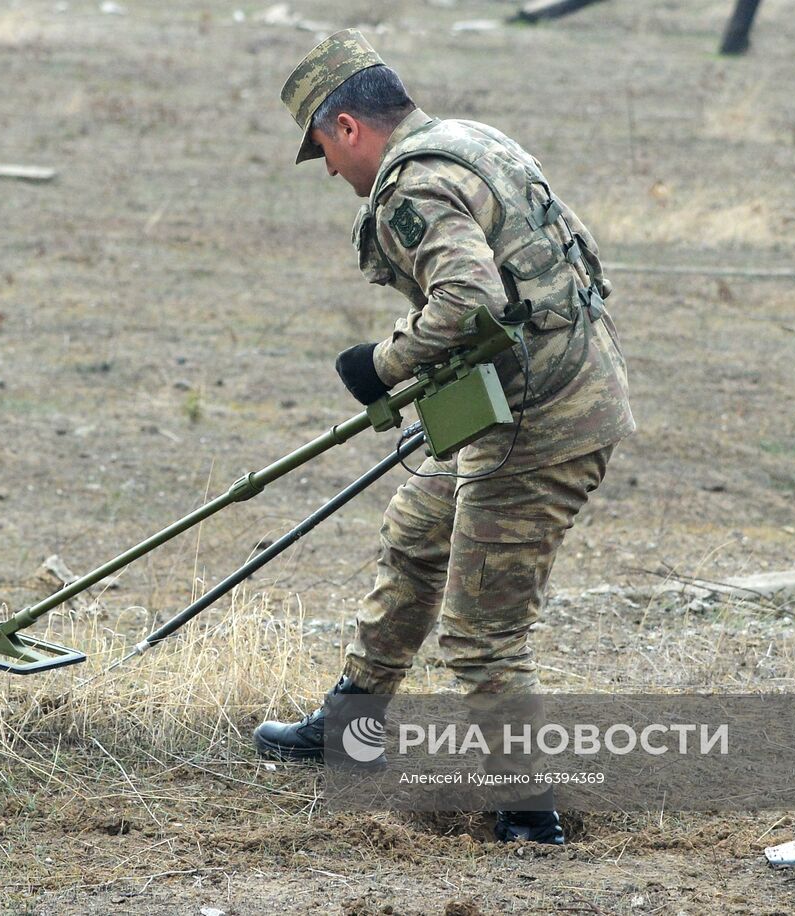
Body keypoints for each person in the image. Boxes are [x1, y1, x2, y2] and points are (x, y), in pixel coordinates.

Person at [253, 29, 635, 844]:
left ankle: (530, 819)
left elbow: (467, 299)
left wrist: (383, 363)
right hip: (544, 393)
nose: (328, 170)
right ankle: (349, 732)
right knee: (416, 534)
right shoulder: (469, 142)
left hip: (540, 423)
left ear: (348, 127)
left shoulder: (410, 186)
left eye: (322, 149)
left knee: (482, 632)